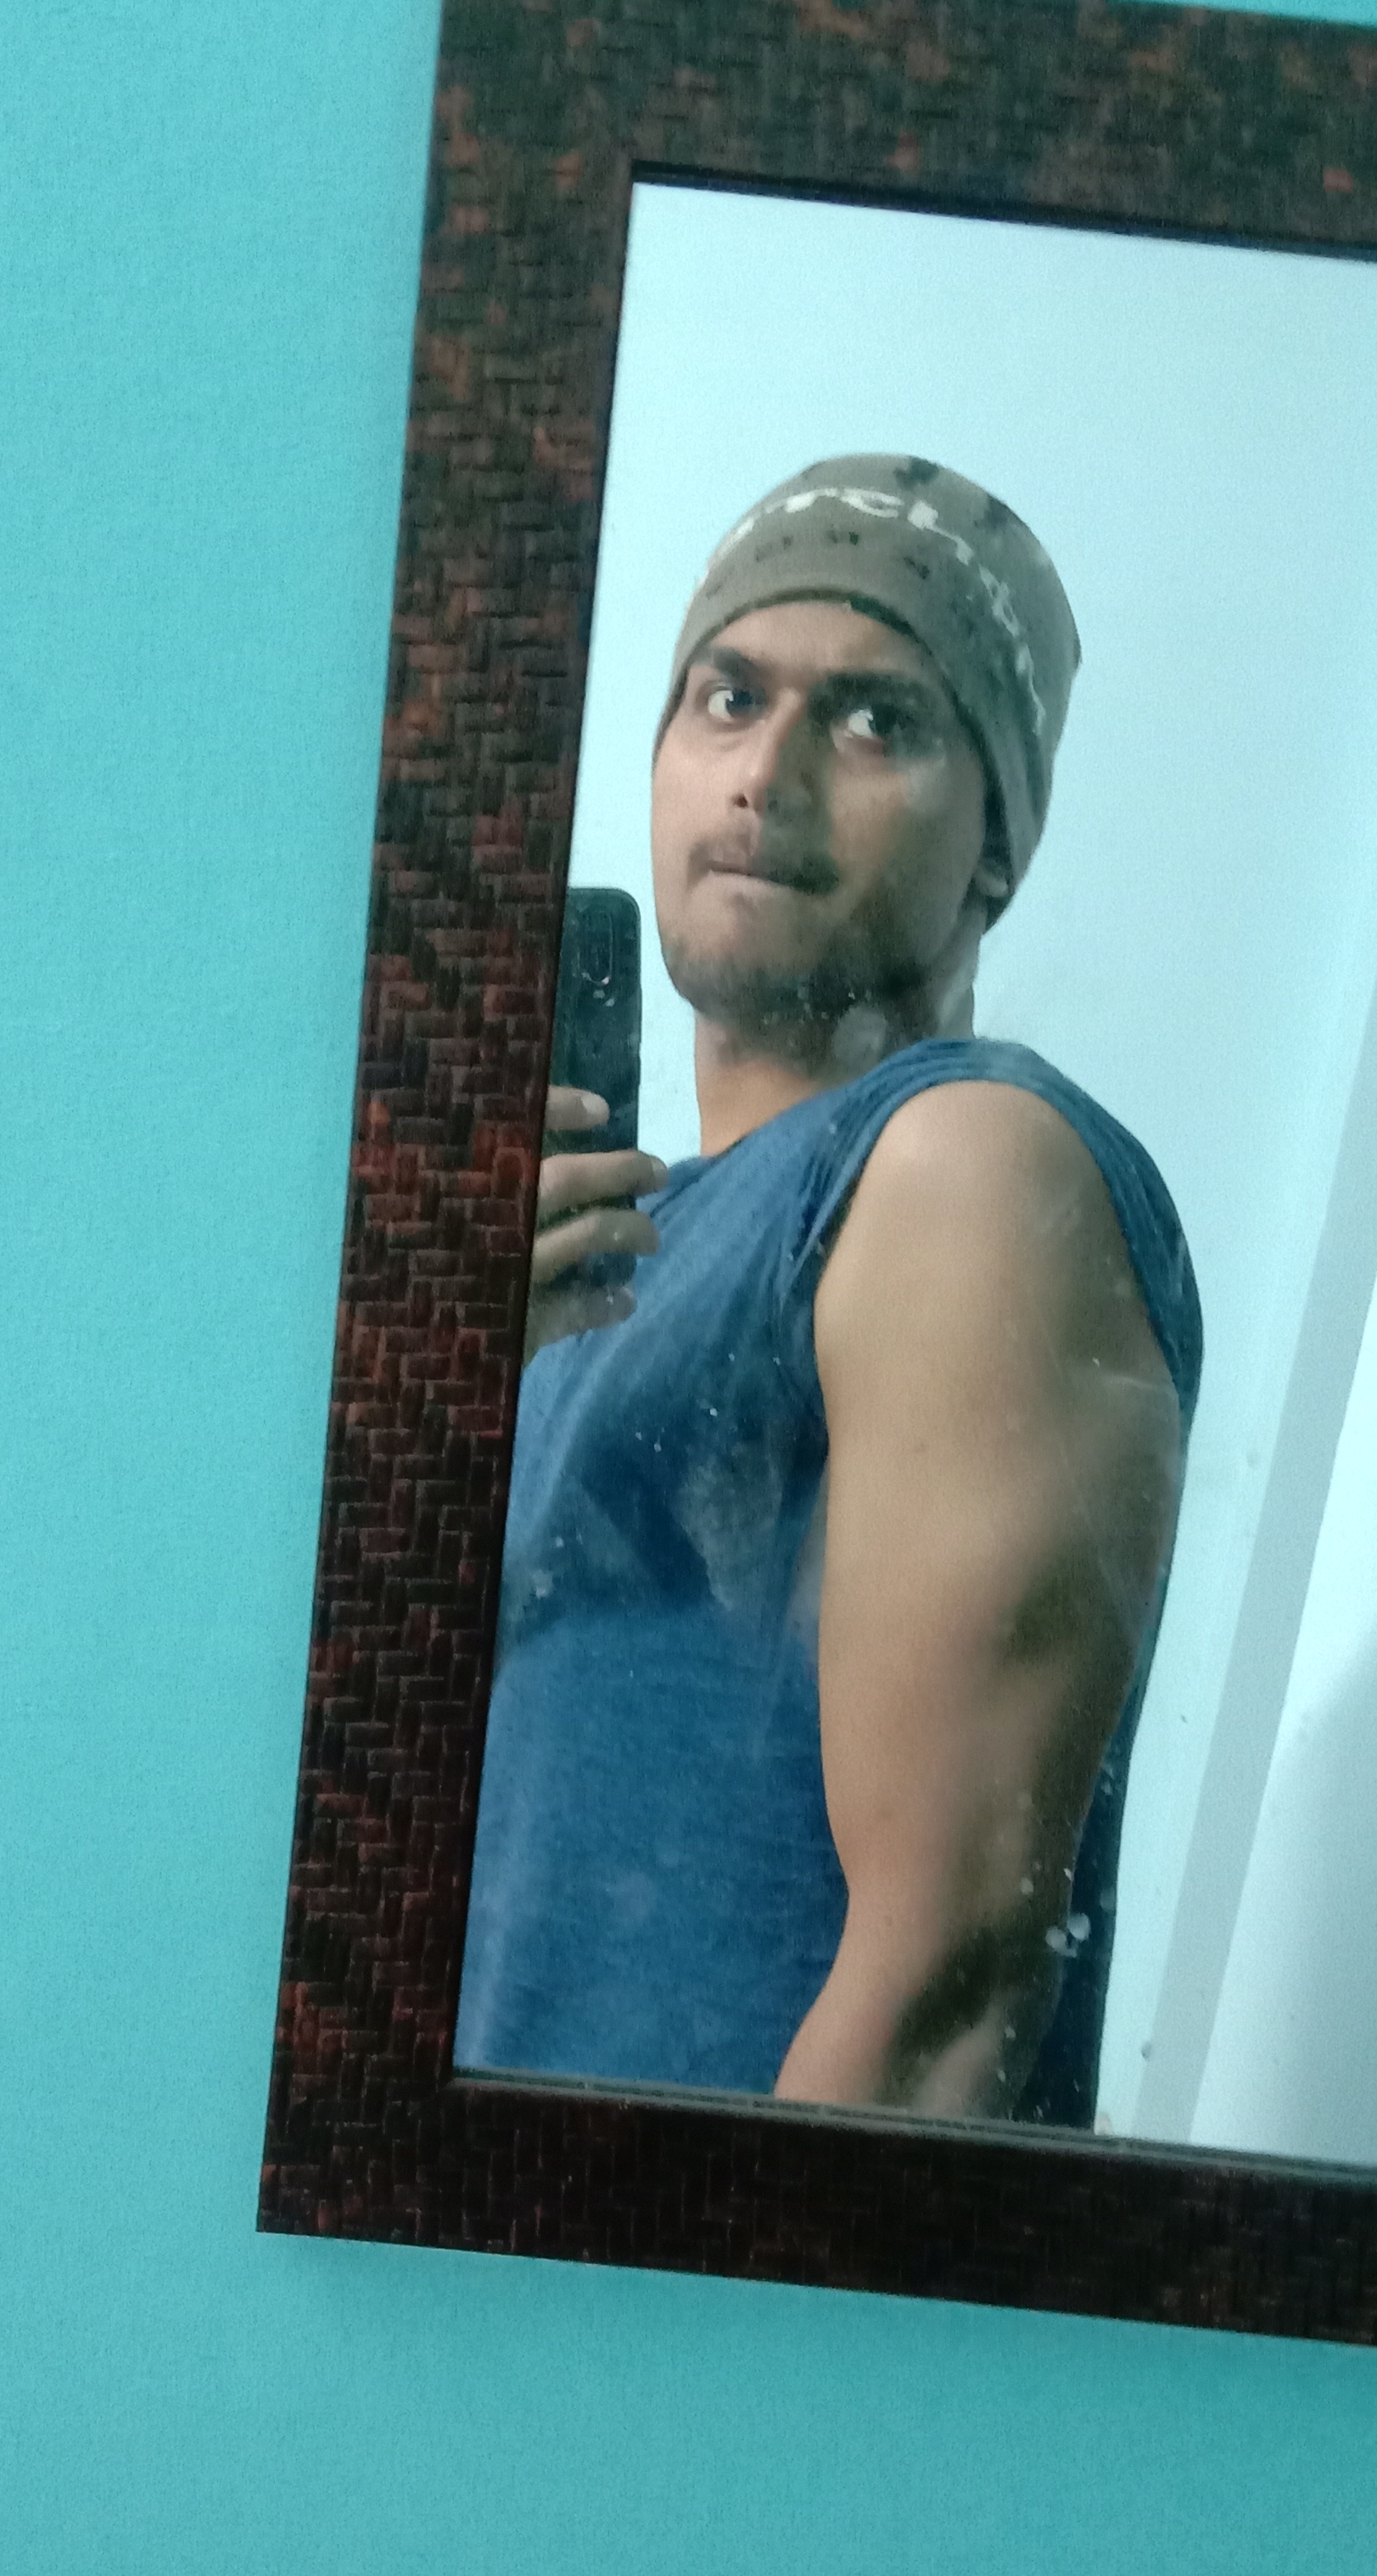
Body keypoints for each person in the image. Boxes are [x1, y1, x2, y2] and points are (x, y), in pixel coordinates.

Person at [455, 456, 1202, 2126]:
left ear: (995, 846)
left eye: (875, 721)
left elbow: (946, 1991)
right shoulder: (593, 1255)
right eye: (728, 697)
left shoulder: (954, 1163)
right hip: (453, 2245)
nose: (767, 774)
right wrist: (428, 1391)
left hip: (670, 2287)